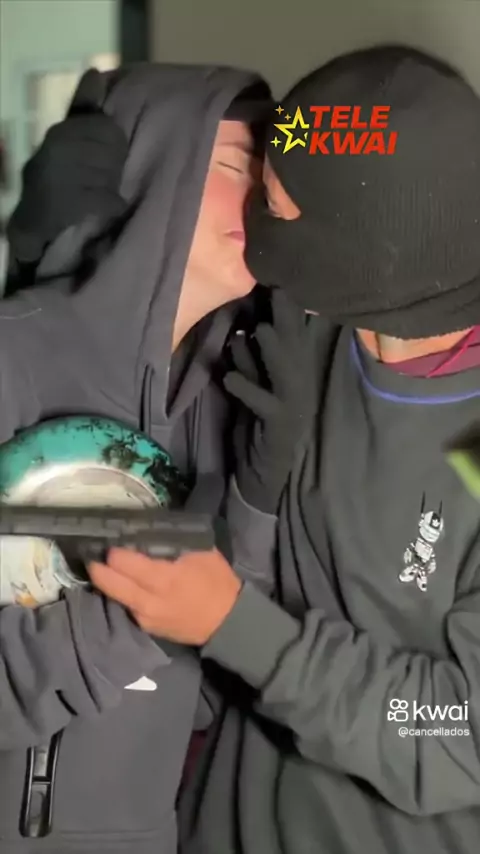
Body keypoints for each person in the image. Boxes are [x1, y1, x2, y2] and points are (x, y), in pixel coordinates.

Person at [88, 46, 480, 854]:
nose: (251, 218)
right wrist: (258, 498)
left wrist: (240, 627)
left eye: (271, 201)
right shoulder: (298, 335)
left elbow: (457, 733)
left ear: (364, 244)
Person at [0, 62, 281, 854]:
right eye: (234, 165)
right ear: (155, 169)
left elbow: (213, 687)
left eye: (269, 175)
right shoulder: (13, 358)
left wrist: (255, 511)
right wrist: (152, 610)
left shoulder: (234, 395)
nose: (261, 198)